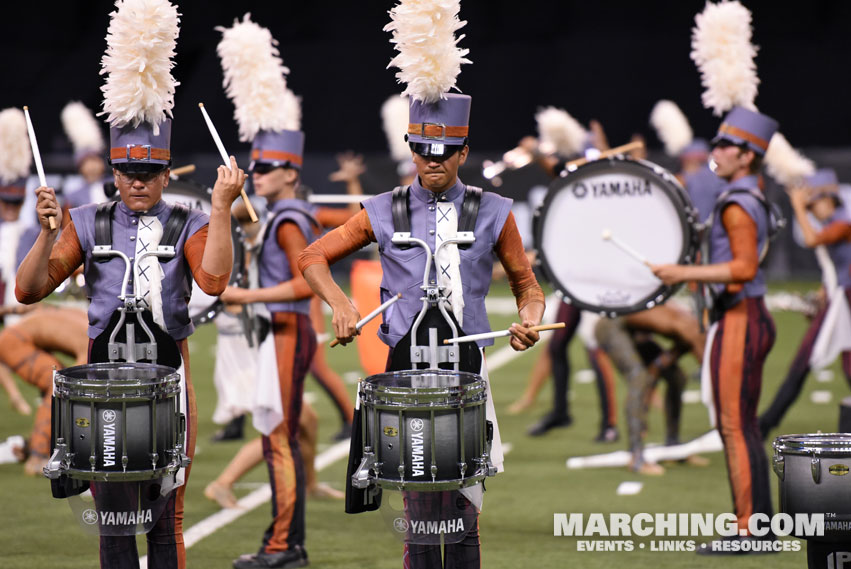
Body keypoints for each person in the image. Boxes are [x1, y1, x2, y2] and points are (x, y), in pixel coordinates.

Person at [15, 21, 246, 563]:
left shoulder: (188, 221)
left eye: (148, 170)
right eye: (127, 170)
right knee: (115, 526)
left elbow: (213, 282)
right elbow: (29, 291)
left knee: (166, 524)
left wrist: (220, 208)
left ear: (167, 173)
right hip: (102, 384)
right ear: (113, 171)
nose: (137, 180)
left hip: (168, 380)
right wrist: (47, 234)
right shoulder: (86, 220)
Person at [298, 90, 545, 567]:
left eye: (446, 152)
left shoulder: (494, 210)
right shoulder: (383, 208)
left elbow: (527, 286)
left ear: (464, 152)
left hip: (467, 372)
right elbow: (313, 257)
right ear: (412, 149)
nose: (434, 161)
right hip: (405, 370)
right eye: (424, 151)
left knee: (463, 507)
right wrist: (341, 304)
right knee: (416, 504)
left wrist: (529, 321)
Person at [651, 106, 779, 551]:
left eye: (727, 145)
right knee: (744, 426)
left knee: (733, 426)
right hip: (750, 315)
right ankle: (759, 526)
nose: (717, 151)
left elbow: (742, 268)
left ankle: (749, 531)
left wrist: (680, 273)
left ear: (747, 156)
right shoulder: (749, 193)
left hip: (741, 317)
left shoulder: (738, 202)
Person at [759, 169, 851, 437]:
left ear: (829, 200)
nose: (811, 211)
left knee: (804, 363)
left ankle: (766, 423)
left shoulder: (843, 223)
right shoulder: (836, 223)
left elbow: (811, 239)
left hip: (846, 303)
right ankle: (766, 422)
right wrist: (824, 292)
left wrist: (798, 205)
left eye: (814, 205)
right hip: (840, 301)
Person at [0, 305, 88, 475]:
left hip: (15, 337)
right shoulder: (92, 341)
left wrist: (6, 311)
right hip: (15, 342)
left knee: (60, 385)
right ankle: (37, 456)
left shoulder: (87, 320)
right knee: (59, 387)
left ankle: (28, 447)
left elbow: (35, 308)